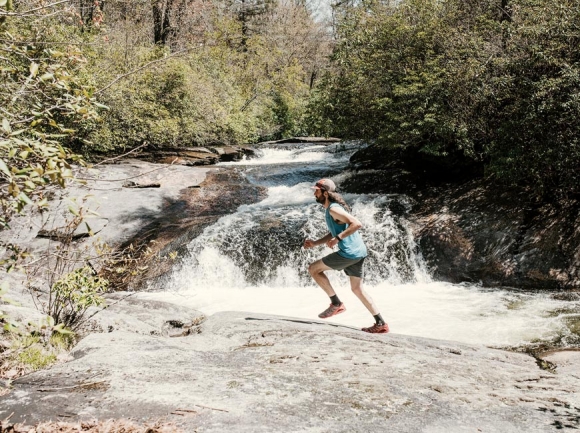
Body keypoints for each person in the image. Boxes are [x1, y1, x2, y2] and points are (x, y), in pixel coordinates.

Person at [303, 178, 389, 334]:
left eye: (316, 190)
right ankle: (381, 323)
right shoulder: (332, 210)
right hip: (359, 252)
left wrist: (338, 238)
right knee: (357, 289)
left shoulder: (334, 209)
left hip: (349, 253)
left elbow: (356, 223)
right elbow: (334, 231)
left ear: (325, 193)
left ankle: (336, 303)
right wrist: (316, 243)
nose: (314, 193)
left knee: (313, 269)